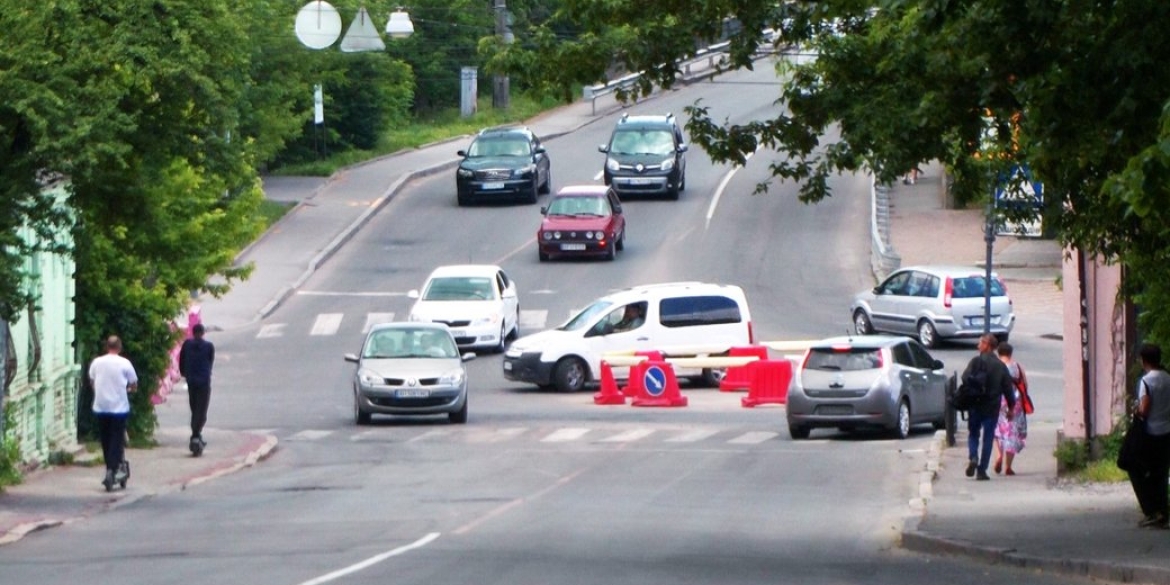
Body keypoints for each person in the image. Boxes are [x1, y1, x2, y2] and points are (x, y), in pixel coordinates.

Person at [963, 334, 1015, 481]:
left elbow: (965, 378)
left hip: (975, 404)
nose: (978, 345)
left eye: (980, 343)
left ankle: (973, 456)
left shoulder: (975, 362)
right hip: (991, 407)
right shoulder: (1000, 366)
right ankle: (982, 470)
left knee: (973, 434)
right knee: (988, 437)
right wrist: (1011, 408)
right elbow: (1008, 389)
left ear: (987, 345)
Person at [1129, 343, 1170, 528]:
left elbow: (1144, 409)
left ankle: (1152, 511)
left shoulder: (1146, 381)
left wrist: (1136, 410)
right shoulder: (1168, 378)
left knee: (1139, 470)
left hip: (1150, 433)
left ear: (1143, 360)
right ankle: (1163, 510)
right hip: (1167, 430)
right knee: (1161, 473)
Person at [89, 336, 138, 489]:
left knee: (105, 438)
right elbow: (134, 383)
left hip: (101, 406)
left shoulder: (97, 362)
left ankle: (109, 467)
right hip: (119, 408)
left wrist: (99, 391)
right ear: (120, 347)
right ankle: (112, 469)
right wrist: (130, 389)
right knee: (117, 440)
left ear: (106, 346)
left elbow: (92, 381)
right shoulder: (125, 363)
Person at [179, 323, 215, 456]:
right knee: (202, 409)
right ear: (203, 333)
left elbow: (181, 361)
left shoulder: (187, 345)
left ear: (192, 333)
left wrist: (184, 373)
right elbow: (210, 361)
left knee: (194, 406)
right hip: (203, 382)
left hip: (191, 381)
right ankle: (196, 434)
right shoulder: (208, 346)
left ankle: (196, 434)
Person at [993, 342, 1028, 475]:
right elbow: (1024, 384)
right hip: (1015, 404)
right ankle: (1008, 466)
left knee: (997, 431)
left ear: (998, 353)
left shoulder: (997, 366)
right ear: (1010, 353)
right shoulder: (1017, 366)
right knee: (1013, 433)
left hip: (999, 403)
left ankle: (998, 456)